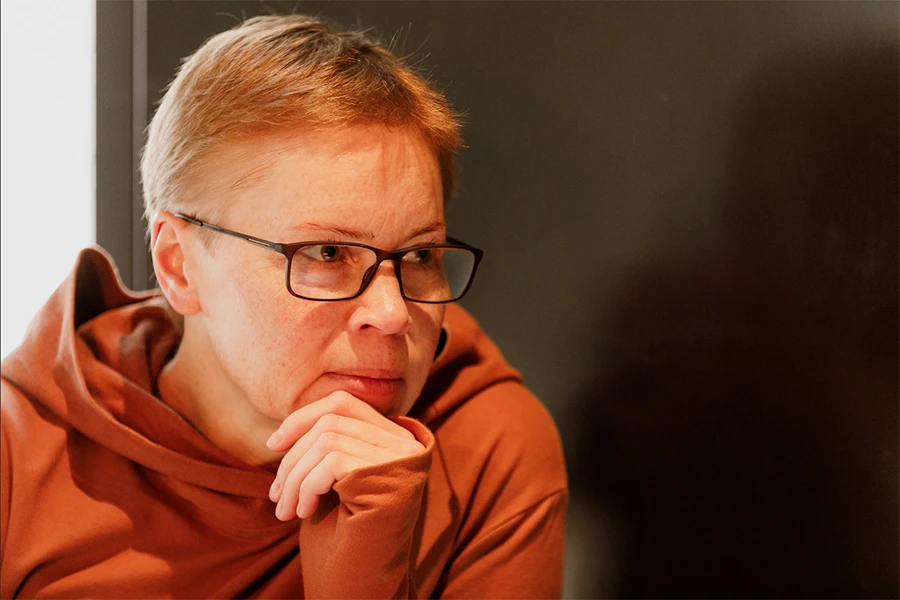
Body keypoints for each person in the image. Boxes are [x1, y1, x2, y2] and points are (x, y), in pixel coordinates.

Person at [0, 14, 567, 598]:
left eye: (420, 255)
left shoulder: (484, 445)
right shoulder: (20, 452)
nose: (393, 313)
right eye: (327, 252)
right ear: (179, 266)